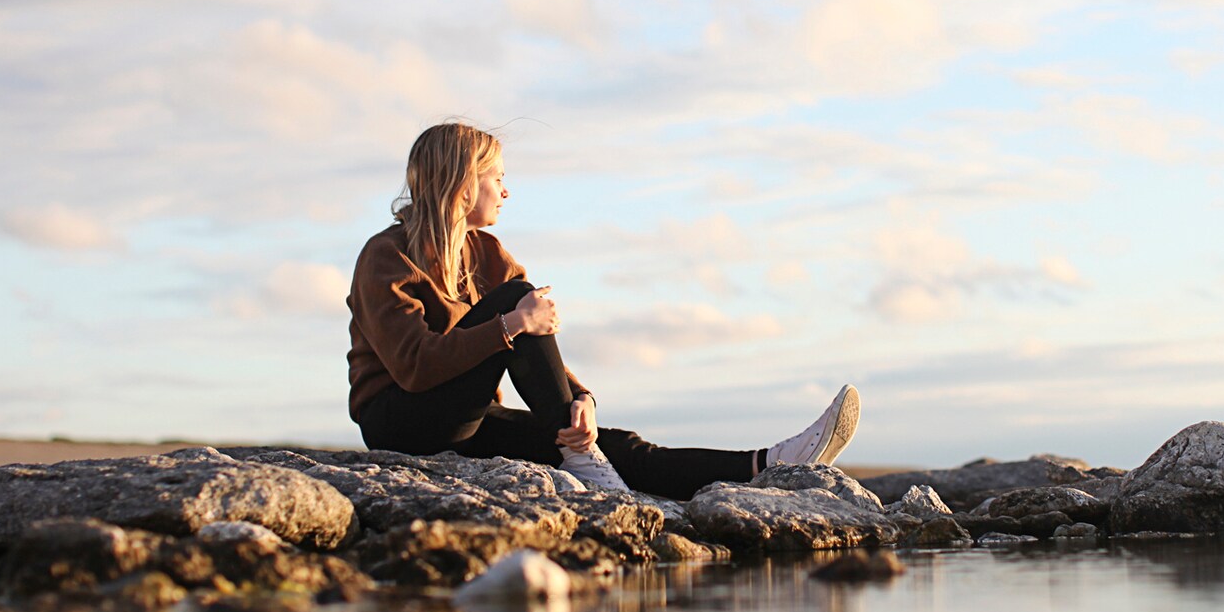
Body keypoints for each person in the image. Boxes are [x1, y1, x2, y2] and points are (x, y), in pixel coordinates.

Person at [347, 121, 859, 496]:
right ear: (462, 184)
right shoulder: (385, 257)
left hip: (469, 421)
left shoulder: (488, 255)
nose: (506, 190)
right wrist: (510, 322)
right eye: (495, 177)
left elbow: (529, 341)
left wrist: (580, 400)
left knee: (613, 444)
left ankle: (767, 466)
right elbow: (415, 368)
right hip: (402, 421)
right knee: (519, 304)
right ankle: (579, 454)